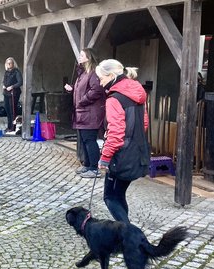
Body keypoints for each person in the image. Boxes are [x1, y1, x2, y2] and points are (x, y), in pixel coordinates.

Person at [95, 59, 150, 224]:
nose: (100, 82)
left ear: (111, 76)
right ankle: (125, 234)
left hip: (121, 156)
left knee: (110, 197)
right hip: (137, 152)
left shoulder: (115, 99)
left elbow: (116, 133)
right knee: (119, 195)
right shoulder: (136, 93)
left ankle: (128, 235)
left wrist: (104, 158)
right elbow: (144, 123)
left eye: (101, 78)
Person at [64, 48, 106, 178]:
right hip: (82, 112)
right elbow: (82, 90)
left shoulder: (93, 73)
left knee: (89, 140)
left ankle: (94, 168)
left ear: (88, 57)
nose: (80, 57)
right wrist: (72, 90)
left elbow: (96, 90)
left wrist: (82, 101)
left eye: (82, 55)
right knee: (84, 140)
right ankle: (87, 165)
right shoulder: (82, 74)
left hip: (90, 113)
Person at [2, 57, 22, 132]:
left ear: (13, 64)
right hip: (6, 93)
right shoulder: (6, 72)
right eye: (8, 63)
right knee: (7, 109)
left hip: (14, 93)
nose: (9, 64)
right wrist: (4, 85)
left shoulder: (16, 72)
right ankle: (9, 126)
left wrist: (12, 87)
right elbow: (4, 81)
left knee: (12, 110)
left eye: (10, 63)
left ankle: (13, 127)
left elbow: (20, 82)